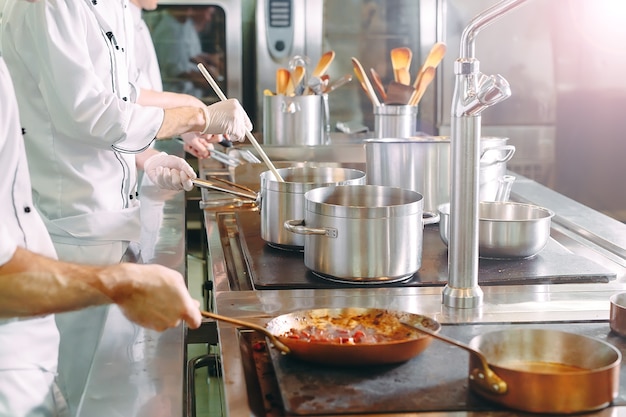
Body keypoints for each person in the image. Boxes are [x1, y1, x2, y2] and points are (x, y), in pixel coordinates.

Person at [0, 0, 251, 415]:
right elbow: (90, 114)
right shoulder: (48, 5)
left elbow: (127, 97)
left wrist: (149, 157)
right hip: (75, 220)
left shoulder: (107, 9)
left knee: (95, 387)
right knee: (88, 390)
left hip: (105, 218)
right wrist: (197, 116)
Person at [130, 0, 215, 159]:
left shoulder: (135, 20)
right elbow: (129, 98)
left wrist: (183, 127)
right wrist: (189, 108)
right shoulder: (125, 24)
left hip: (143, 142)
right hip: (131, 144)